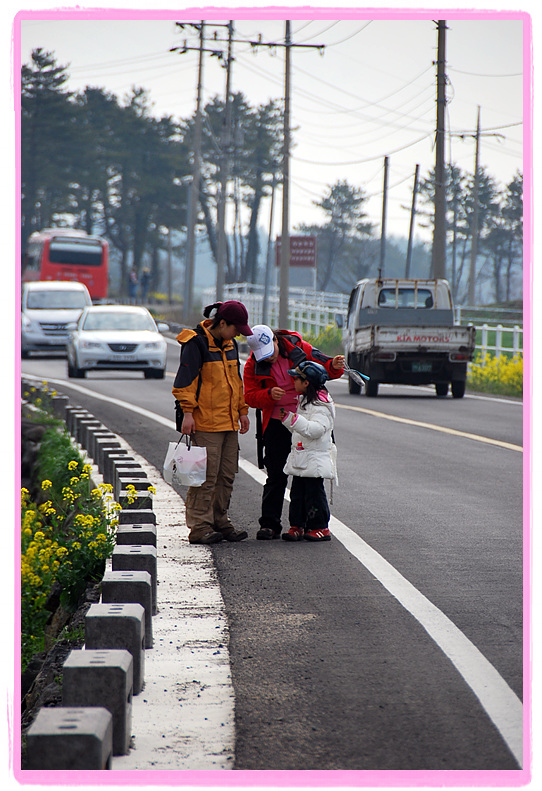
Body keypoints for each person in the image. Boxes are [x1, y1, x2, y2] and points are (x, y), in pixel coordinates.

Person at [243, 325, 344, 540]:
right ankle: (270, 524)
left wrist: (334, 366)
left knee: (307, 476)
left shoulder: (298, 348)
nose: (268, 359)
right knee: (276, 475)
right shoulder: (253, 364)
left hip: (306, 418)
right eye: (264, 357)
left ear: (276, 341)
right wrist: (268, 394)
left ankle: (309, 524)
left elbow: (322, 369)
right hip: (278, 421)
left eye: (270, 353)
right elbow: (250, 396)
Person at [172, 300, 253, 545]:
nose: (238, 333)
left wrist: (242, 411)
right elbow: (185, 383)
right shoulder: (195, 343)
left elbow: (236, 382)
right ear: (223, 323)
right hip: (205, 423)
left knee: (226, 475)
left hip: (229, 423)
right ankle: (199, 527)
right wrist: (187, 413)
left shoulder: (231, 345)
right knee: (204, 478)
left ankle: (220, 521)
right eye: (235, 328)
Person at [280, 360, 337, 542]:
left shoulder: (321, 404)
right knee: (297, 493)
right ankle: (298, 524)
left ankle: (320, 527)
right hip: (302, 457)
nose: (293, 381)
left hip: (314, 459)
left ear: (306, 382)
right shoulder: (305, 400)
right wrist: (290, 421)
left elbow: (316, 430)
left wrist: (295, 421)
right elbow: (303, 429)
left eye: (296, 378)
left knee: (314, 494)